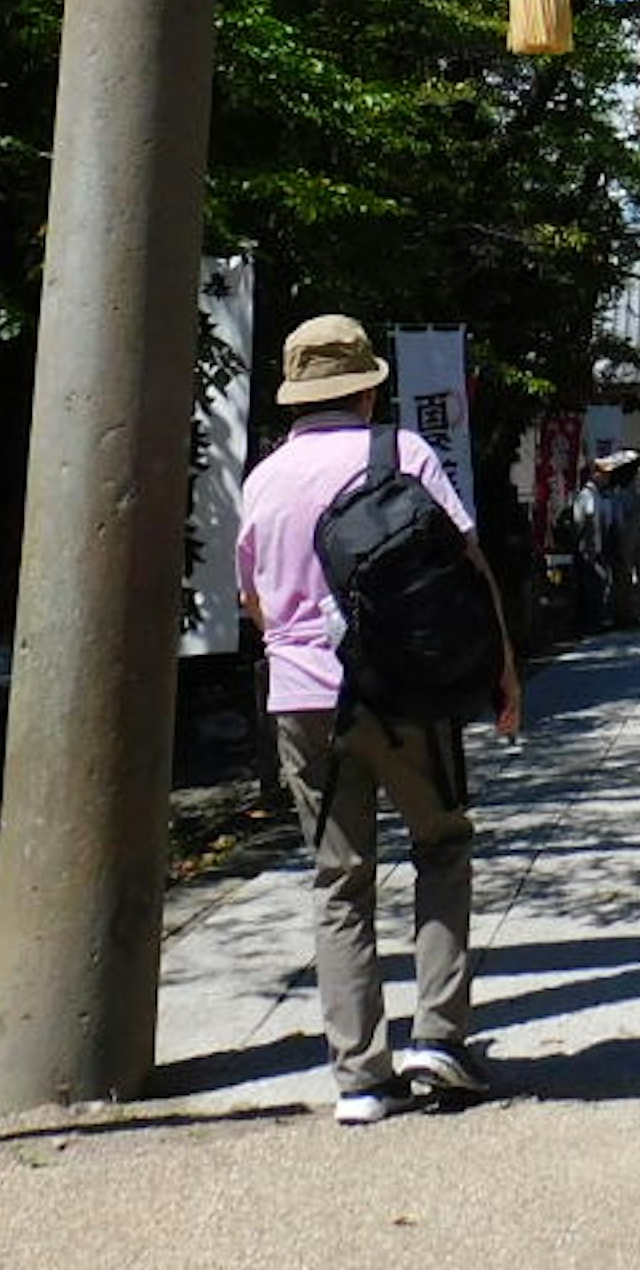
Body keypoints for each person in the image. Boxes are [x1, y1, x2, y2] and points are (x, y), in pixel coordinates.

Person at [236, 312, 523, 1127]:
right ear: (368, 386)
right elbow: (466, 566)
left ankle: (360, 1077)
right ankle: (439, 1034)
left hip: (300, 701)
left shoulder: (261, 479)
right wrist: (501, 670)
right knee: (442, 843)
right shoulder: (402, 453)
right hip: (402, 693)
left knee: (339, 880)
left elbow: (251, 601)